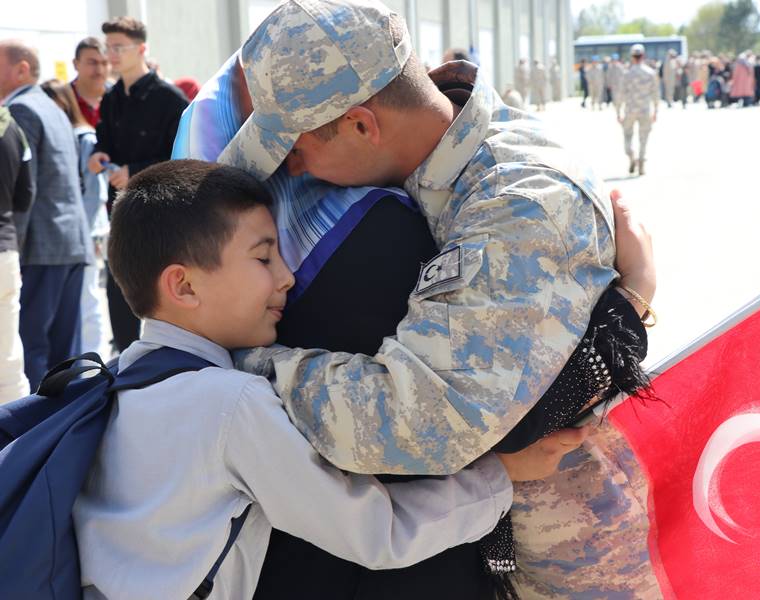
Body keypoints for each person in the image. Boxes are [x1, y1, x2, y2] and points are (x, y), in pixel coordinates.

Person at [199, 2, 661, 598]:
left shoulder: (519, 203)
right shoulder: (444, 157)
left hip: (571, 558)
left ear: (363, 125)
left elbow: (421, 422)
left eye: (297, 147)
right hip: (505, 537)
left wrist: (233, 370)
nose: (293, 167)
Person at [73, 158, 588, 599]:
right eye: (262, 256)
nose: (285, 277)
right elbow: (377, 533)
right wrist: (501, 476)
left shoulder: (114, 383)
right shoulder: (229, 404)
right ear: (183, 285)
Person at [87, 16, 188, 352]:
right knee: (119, 294)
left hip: (163, 216)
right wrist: (100, 154)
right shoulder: (112, 98)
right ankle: (123, 367)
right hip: (120, 212)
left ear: (141, 48)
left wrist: (137, 170)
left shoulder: (170, 100)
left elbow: (186, 158)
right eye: (107, 47)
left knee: (166, 296)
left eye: (118, 47)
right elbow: (106, 142)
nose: (110, 55)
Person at [0, 40, 92, 391]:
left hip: (40, 248)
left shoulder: (21, 110)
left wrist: (14, 251)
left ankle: (37, 438)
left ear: (22, 69)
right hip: (71, 243)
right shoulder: (53, 107)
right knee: (66, 354)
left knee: (32, 348)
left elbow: (25, 192)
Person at [40, 79, 109, 358]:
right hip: (66, 237)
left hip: (85, 233)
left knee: (88, 301)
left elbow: (95, 192)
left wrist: (88, 232)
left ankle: (94, 364)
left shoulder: (83, 139)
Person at [0, 106, 32, 402]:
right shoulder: (12, 128)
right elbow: (25, 196)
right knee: (9, 362)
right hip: (6, 253)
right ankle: (12, 443)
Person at [618, 43, 660, 176]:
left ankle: (631, 156)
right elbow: (655, 94)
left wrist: (618, 112)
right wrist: (656, 111)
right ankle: (641, 161)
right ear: (643, 56)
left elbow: (621, 94)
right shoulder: (651, 73)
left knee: (627, 135)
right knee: (644, 137)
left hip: (630, 110)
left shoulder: (627, 74)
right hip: (645, 110)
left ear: (632, 57)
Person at [70, 37, 109, 128]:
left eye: (104, 63)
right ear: (76, 64)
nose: (99, 70)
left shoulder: (119, 99)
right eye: (92, 63)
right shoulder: (62, 100)